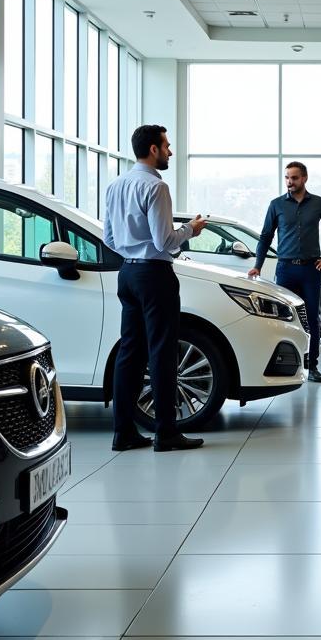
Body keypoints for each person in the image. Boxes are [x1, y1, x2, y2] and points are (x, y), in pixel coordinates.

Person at [103, 124, 206, 452]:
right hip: (154, 275)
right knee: (162, 351)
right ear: (153, 150)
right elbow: (165, 241)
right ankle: (166, 433)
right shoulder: (156, 187)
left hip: (128, 274)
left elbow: (109, 239)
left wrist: (133, 253)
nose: (170, 152)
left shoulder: (116, 185)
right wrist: (190, 229)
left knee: (129, 353)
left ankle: (123, 432)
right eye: (167, 146)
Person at [248, 161, 321, 383]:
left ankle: (313, 366)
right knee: (285, 318)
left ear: (305, 178)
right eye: (287, 178)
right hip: (286, 270)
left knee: (312, 318)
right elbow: (265, 237)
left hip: (311, 270)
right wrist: (258, 265)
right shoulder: (276, 205)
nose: (290, 182)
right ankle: (287, 366)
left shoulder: (318, 203)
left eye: (295, 178)